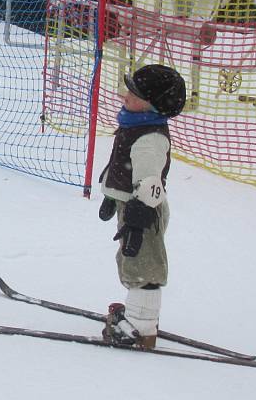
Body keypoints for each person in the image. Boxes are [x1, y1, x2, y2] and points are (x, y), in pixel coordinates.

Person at [97, 64, 187, 348]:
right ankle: (139, 315)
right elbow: (123, 168)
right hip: (131, 207)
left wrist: (138, 216)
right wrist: (112, 195)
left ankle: (140, 328)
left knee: (143, 265)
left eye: (133, 94)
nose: (125, 96)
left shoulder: (150, 138)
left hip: (143, 212)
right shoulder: (135, 124)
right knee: (130, 260)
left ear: (152, 104)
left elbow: (149, 181)